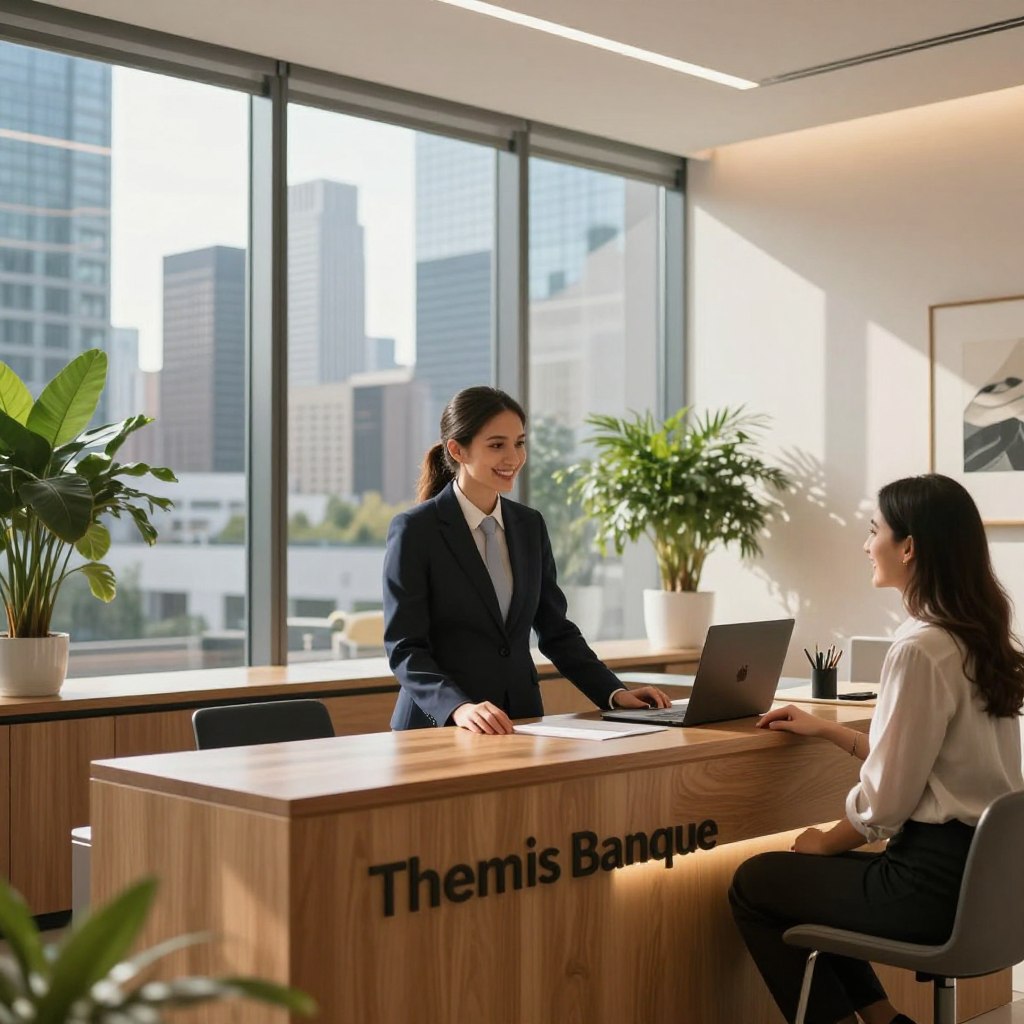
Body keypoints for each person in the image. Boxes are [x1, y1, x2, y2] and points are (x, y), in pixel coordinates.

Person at [729, 474, 1024, 1024]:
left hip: (928, 888)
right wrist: (829, 731)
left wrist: (825, 842)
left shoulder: (920, 648)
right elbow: (935, 764)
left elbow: (885, 805)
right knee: (822, 887)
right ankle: (885, 1019)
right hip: (988, 886)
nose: (867, 546)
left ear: (909, 547)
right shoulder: (976, 638)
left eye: (874, 531)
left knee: (755, 883)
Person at [382, 385, 671, 733]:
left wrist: (612, 692)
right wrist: (458, 707)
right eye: (496, 445)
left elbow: (556, 630)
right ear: (457, 450)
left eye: (519, 443)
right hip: (438, 727)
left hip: (520, 719)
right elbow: (404, 647)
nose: (514, 458)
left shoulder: (528, 525)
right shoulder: (416, 530)